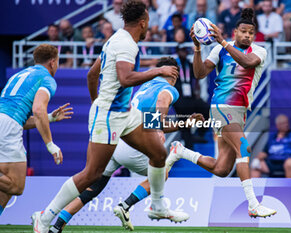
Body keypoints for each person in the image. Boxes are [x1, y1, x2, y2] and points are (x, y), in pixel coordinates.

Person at [32, 2, 186, 232]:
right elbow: (125, 79)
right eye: (148, 24)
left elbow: (92, 74)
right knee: (91, 175)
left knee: (158, 153)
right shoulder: (126, 45)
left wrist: (96, 101)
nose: (148, 28)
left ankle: (156, 205)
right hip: (109, 116)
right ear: (143, 23)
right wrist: (157, 70)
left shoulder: (115, 39)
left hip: (124, 113)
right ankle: (45, 217)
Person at [48, 57, 202, 233]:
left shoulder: (144, 87)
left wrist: (173, 124)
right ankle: (126, 205)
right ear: (174, 75)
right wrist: (169, 123)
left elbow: (149, 121)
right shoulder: (169, 89)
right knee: (162, 173)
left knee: (93, 186)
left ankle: (57, 224)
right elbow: (159, 110)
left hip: (116, 140)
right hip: (134, 146)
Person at [167, 8, 277, 217]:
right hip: (221, 108)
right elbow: (199, 74)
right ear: (235, 31)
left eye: (250, 33)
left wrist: (223, 42)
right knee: (243, 147)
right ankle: (253, 204)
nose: (247, 35)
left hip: (240, 112)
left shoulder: (259, 51)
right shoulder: (219, 51)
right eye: (243, 31)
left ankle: (181, 152)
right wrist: (198, 48)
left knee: (222, 169)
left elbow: (247, 62)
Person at [0, 44, 73, 216]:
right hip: (8, 128)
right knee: (16, 185)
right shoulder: (47, 78)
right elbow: (38, 109)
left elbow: (21, 119)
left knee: (7, 187)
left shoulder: (20, 74)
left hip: (6, 122)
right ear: (53, 62)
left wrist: (50, 118)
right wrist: (50, 145)